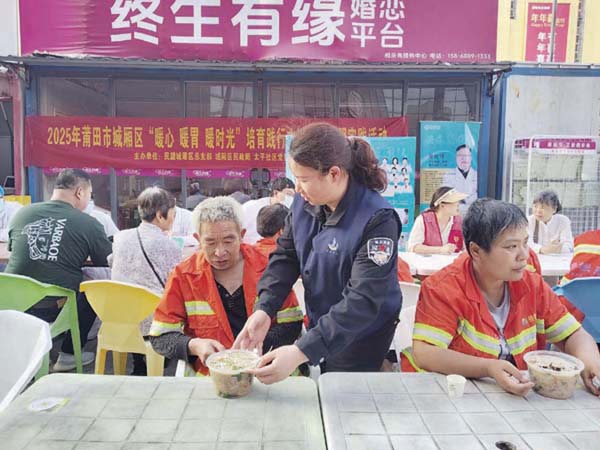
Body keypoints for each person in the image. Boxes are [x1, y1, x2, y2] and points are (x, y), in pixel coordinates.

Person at [234, 122, 403, 384]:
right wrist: (264, 308)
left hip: (360, 334)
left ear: (334, 173)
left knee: (344, 392)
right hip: (321, 322)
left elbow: (363, 299)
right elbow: (286, 256)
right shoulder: (304, 203)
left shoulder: (377, 220)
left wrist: (301, 350)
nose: (297, 189)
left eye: (303, 180)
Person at [403, 199, 600, 397]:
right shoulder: (444, 288)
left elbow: (573, 334)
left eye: (525, 243)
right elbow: (425, 353)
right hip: (457, 396)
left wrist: (591, 363)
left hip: (518, 399)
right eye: (511, 246)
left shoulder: (531, 284)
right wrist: (488, 368)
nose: (524, 255)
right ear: (476, 251)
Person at [148, 196, 303, 375]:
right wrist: (194, 345)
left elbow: (292, 324)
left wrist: (254, 347)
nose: (220, 252)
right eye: (210, 243)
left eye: (228, 241)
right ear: (198, 239)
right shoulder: (183, 276)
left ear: (242, 235)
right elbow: (161, 336)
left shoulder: (270, 269)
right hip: (210, 377)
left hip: (269, 371)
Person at [6, 169, 112, 371]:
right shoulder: (89, 223)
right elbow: (107, 259)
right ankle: (69, 355)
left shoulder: (22, 213)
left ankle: (27, 352)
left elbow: (13, 249)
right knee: (93, 288)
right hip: (51, 305)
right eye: (89, 195)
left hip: (12, 301)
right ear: (80, 192)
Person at [111, 187, 182, 375]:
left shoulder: (120, 237)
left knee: (136, 294)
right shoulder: (169, 245)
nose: (174, 218)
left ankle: (139, 363)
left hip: (118, 316)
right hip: (153, 323)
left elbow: (112, 261)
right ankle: (163, 353)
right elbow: (175, 282)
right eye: (173, 214)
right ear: (160, 215)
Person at [407, 187, 467, 255]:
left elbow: (465, 247)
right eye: (454, 201)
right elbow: (413, 247)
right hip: (427, 261)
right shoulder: (423, 220)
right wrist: (440, 250)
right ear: (442, 205)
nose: (458, 204)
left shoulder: (459, 221)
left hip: (453, 261)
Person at [242, 177, 295, 244]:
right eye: (288, 194)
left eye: (293, 196)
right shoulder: (251, 207)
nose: (290, 198)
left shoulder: (291, 212)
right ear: (276, 193)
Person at [528, 189, 574, 254]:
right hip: (536, 258)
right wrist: (543, 249)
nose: (538, 211)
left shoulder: (563, 221)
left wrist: (557, 249)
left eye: (543, 207)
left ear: (554, 209)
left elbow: (569, 246)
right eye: (535, 206)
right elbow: (526, 244)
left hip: (558, 258)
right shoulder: (529, 221)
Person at [442, 144, 478, 213]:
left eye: (466, 155)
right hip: (454, 212)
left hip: (474, 213)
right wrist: (468, 200)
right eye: (460, 155)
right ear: (456, 158)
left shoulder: (477, 175)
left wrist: (462, 199)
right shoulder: (448, 175)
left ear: (471, 158)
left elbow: (479, 197)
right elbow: (447, 196)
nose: (463, 158)